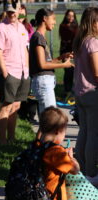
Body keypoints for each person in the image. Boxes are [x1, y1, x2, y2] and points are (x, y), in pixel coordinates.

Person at [0, 0, 30, 145]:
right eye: (9, 11)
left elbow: (25, 50)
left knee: (16, 106)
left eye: (14, 11)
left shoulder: (22, 27)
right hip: (9, 72)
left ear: (20, 10)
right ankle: (2, 141)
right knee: (7, 106)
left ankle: (12, 138)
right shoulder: (1, 28)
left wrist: (26, 69)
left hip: (23, 72)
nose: (11, 14)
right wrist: (5, 73)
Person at [29, 8, 73, 114]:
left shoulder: (40, 37)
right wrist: (63, 65)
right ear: (44, 19)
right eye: (53, 19)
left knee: (47, 120)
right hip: (43, 82)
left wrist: (60, 58)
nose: (55, 22)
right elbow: (42, 65)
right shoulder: (38, 37)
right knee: (51, 119)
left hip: (44, 82)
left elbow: (46, 61)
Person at [72, 7, 98, 180]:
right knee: (93, 134)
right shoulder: (93, 42)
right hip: (92, 93)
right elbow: (96, 72)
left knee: (84, 132)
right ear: (94, 22)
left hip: (80, 92)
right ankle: (91, 172)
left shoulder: (80, 41)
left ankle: (80, 168)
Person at [39, 107, 80, 200]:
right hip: (51, 196)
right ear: (58, 131)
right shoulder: (56, 152)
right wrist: (70, 158)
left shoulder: (35, 147)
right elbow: (75, 170)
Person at [59, 9, 78, 97]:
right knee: (68, 71)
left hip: (76, 52)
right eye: (69, 15)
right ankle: (67, 90)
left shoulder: (77, 26)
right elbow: (65, 40)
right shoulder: (62, 26)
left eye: (72, 16)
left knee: (75, 71)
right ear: (66, 16)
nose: (71, 17)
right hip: (66, 52)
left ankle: (74, 91)